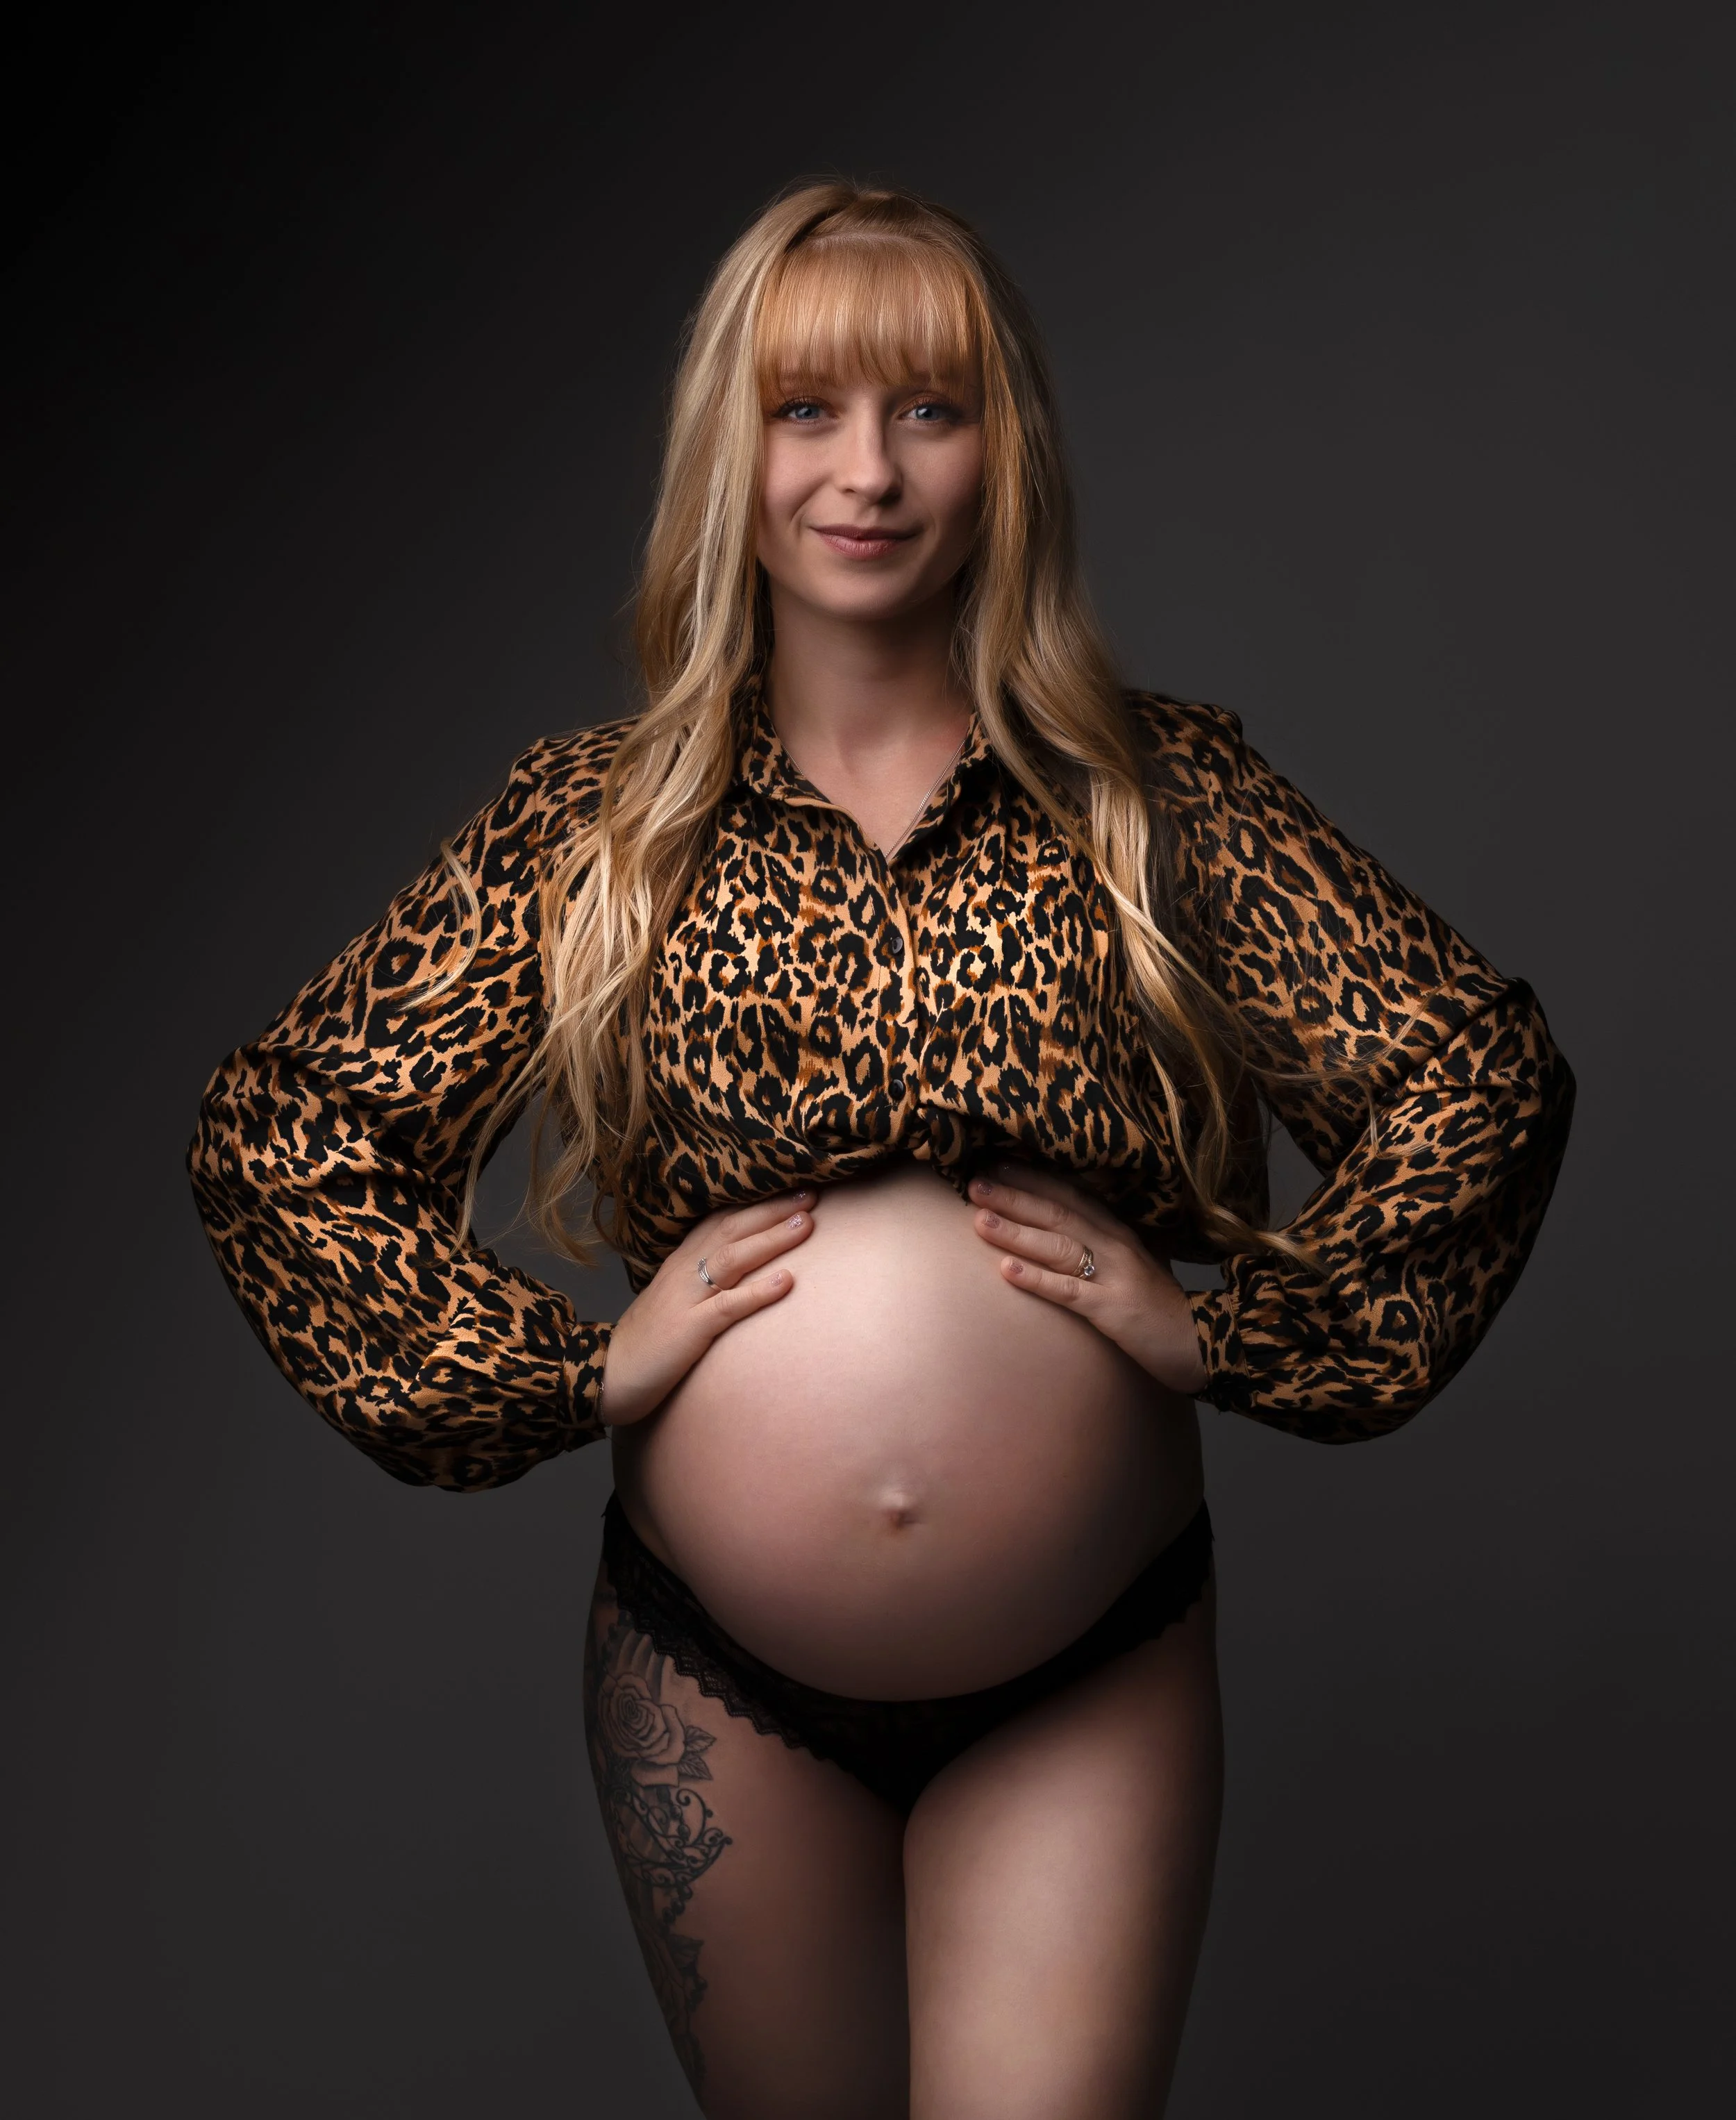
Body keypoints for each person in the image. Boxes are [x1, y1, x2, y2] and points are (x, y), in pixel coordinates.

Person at [189, 181, 1574, 2119]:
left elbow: (1478, 1079)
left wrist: (1229, 1336)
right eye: (806, 409)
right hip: (713, 1672)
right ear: (729, 450)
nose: (867, 471)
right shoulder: (598, 829)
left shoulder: (1154, 797)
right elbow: (289, 1132)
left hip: (1089, 1656)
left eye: (930, 408)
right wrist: (571, 1375)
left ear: (1005, 451)